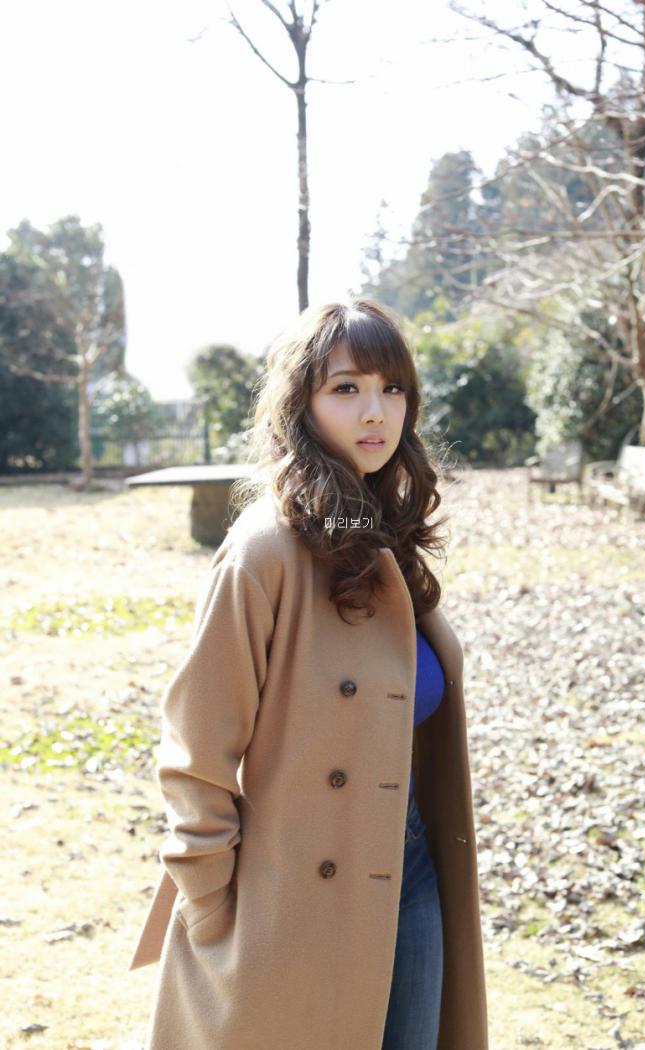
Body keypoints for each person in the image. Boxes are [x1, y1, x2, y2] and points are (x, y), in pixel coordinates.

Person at [128, 297, 489, 1050]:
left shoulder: (379, 532)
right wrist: (211, 905)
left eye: (392, 388)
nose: (375, 411)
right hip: (290, 896)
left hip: (410, 872)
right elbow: (196, 750)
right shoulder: (264, 551)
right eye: (346, 387)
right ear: (302, 404)